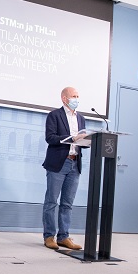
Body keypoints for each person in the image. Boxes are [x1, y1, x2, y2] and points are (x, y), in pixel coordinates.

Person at [42, 86, 86, 250]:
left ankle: (64, 237)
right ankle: (49, 236)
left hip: (75, 163)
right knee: (51, 202)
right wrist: (72, 138)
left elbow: (81, 141)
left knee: (67, 204)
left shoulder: (81, 118)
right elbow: (50, 138)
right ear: (64, 98)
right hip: (59, 163)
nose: (76, 99)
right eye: (74, 96)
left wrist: (88, 140)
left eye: (78, 96)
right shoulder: (54, 115)